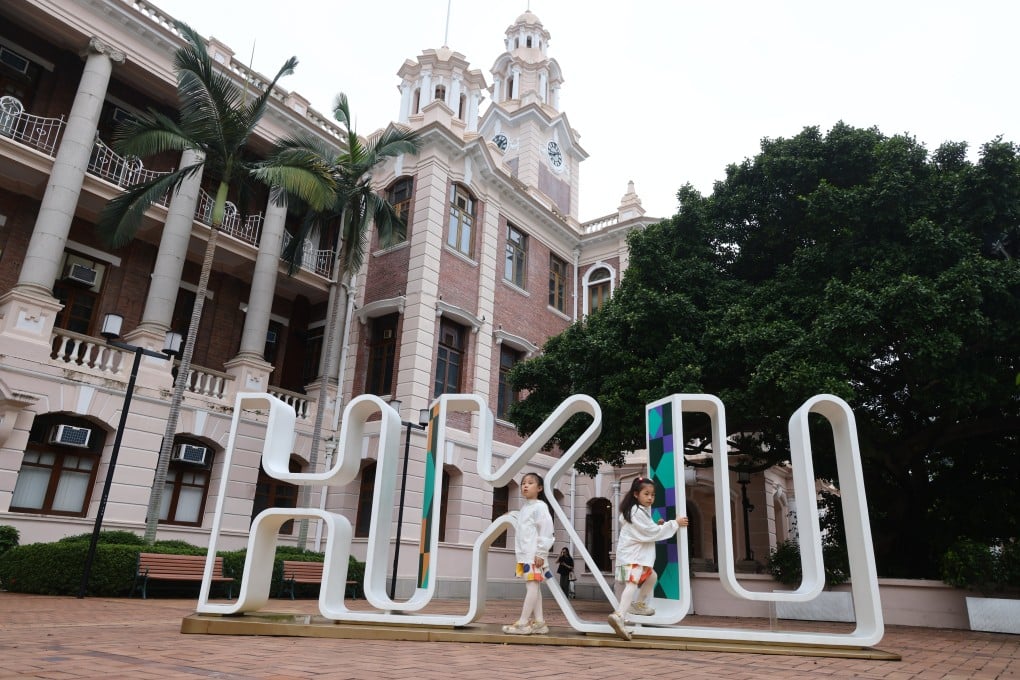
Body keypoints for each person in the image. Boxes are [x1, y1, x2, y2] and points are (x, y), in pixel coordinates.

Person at [608, 476, 689, 641]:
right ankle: (620, 615)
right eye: (646, 494)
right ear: (636, 494)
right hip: (634, 556)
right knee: (632, 583)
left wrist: (659, 526)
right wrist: (674, 523)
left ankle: (638, 605)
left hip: (635, 556)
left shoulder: (638, 511)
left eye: (652, 494)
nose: (650, 498)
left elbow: (648, 530)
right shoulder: (636, 511)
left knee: (652, 576)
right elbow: (649, 532)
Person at [502, 471, 555, 635]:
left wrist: (541, 553)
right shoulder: (526, 507)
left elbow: (546, 530)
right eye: (523, 483)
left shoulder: (540, 506)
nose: (525, 485)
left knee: (532, 587)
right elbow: (524, 520)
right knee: (534, 587)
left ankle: (523, 623)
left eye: (530, 483)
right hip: (526, 556)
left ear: (539, 488)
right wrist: (511, 514)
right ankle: (539, 622)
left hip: (533, 556)